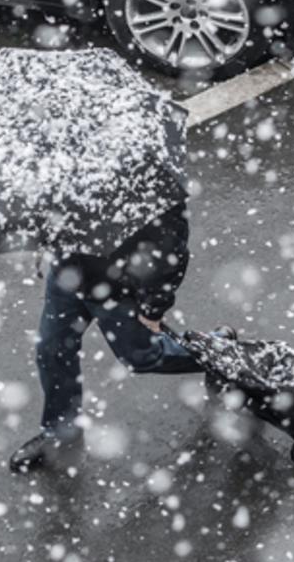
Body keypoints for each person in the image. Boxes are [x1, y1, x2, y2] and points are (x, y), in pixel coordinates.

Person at [10, 201, 204, 473]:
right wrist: (45, 239)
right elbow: (46, 203)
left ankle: (217, 351)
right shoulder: (56, 162)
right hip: (67, 274)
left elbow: (172, 244)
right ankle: (61, 433)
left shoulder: (139, 172)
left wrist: (154, 305)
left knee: (142, 357)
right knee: (52, 350)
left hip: (117, 286)